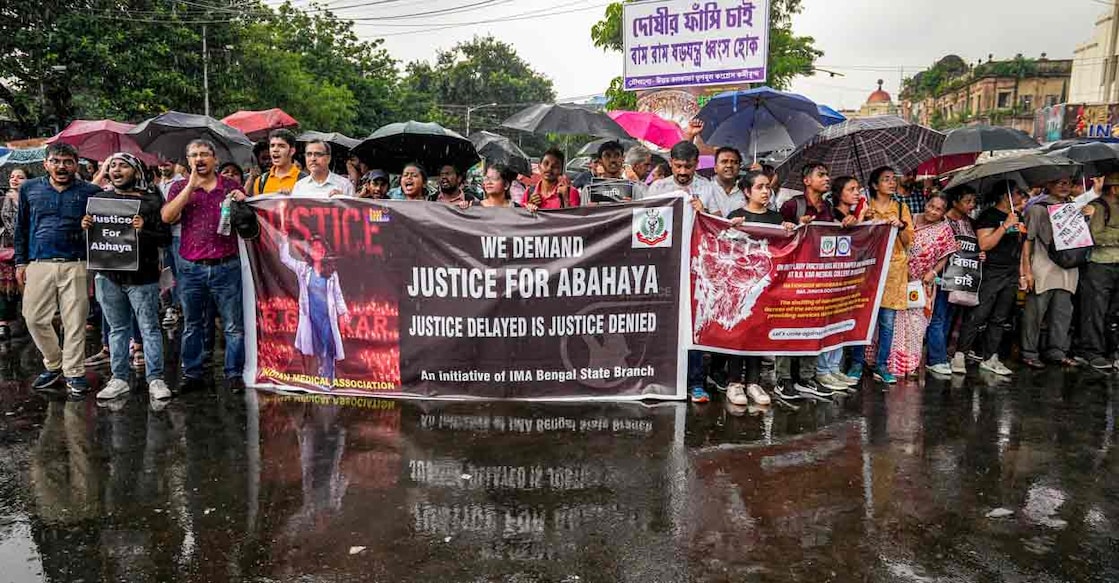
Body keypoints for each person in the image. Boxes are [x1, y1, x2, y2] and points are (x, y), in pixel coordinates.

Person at [79, 153, 172, 401]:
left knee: (149, 328)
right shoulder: (99, 200)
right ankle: (118, 378)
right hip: (108, 277)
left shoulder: (152, 201)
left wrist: (144, 230)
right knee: (117, 329)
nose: (116, 169)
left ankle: (156, 379)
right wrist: (86, 227)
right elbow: (88, 242)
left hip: (143, 278)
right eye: (112, 166)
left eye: (123, 165)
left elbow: (165, 238)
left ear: (136, 171)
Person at [14, 143, 103, 396]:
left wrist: (92, 226)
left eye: (67, 161)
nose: (61, 166)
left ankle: (74, 372)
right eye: (56, 161)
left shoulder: (91, 191)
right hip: (39, 263)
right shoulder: (29, 189)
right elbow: (21, 227)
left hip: (77, 263)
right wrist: (21, 262)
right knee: (33, 317)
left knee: (74, 322)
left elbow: (106, 227)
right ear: (46, 164)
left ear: (76, 164)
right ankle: (54, 363)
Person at [161, 139, 248, 392]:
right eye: (194, 155)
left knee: (233, 326)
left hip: (226, 265)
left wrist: (242, 199)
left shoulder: (230, 185)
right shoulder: (178, 187)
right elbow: (168, 217)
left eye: (204, 155)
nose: (199, 159)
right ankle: (192, 373)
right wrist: (190, 186)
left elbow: (248, 220)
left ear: (215, 159)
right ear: (187, 161)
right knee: (192, 324)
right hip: (191, 268)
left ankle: (233, 374)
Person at [719, 170, 794, 406]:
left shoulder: (775, 218)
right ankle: (734, 382)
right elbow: (722, 243)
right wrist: (730, 227)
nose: (765, 191)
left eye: (767, 187)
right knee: (738, 332)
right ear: (746, 191)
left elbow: (785, 246)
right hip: (740, 285)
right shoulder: (736, 215)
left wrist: (790, 229)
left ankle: (754, 382)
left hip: (765, 284)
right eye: (760, 187)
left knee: (757, 334)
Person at [847, 166, 914, 384]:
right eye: (886, 179)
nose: (892, 183)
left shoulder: (902, 207)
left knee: (887, 322)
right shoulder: (865, 206)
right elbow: (853, 237)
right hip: (868, 269)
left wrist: (901, 225)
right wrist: (863, 218)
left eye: (893, 179)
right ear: (875, 185)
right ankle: (857, 363)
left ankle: (881, 364)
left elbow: (908, 242)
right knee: (863, 318)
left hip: (894, 270)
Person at [953, 180, 1025, 376]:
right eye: (1018, 193)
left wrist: (1022, 272)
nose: (1021, 197)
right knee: (979, 313)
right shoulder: (988, 215)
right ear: (1005, 195)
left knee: (1000, 317)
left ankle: (990, 356)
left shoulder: (1018, 216)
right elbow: (984, 244)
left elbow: (1021, 246)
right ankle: (960, 354)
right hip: (990, 271)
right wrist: (1004, 226)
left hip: (1010, 271)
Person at [1020, 176, 1089, 369]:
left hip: (1068, 266)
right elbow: (1028, 240)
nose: (1064, 186)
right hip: (1043, 265)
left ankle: (1057, 351)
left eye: (1068, 183)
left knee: (1063, 312)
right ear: (1048, 184)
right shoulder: (1037, 208)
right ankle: (1029, 352)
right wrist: (1027, 271)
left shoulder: (1076, 206)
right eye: (1059, 182)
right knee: (1035, 312)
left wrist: (1086, 216)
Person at [890, 195, 957, 377]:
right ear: (925, 204)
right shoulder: (909, 220)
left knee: (916, 323)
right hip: (898, 279)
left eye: (938, 209)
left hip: (922, 283)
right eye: (930, 206)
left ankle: (908, 365)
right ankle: (889, 363)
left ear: (944, 212)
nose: (932, 211)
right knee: (892, 321)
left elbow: (945, 255)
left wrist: (933, 273)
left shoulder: (944, 230)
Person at [279, 234, 350, 388]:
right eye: (314, 248)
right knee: (315, 350)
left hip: (327, 319)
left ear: (325, 252)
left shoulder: (332, 274)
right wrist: (284, 241)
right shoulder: (303, 269)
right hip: (311, 318)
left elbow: (338, 296)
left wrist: (343, 314)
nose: (318, 250)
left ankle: (328, 382)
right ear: (310, 251)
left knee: (328, 348)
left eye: (321, 248)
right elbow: (285, 259)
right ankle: (316, 379)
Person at [815, 176, 866, 389]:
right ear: (839, 193)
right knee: (827, 322)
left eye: (857, 189)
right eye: (851, 189)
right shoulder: (831, 214)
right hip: (829, 277)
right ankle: (822, 370)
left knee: (841, 322)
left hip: (850, 278)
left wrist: (861, 217)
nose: (856, 193)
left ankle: (834, 367)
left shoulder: (856, 214)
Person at [926, 187, 978, 375]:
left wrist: (978, 255)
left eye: (973, 201)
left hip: (960, 277)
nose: (971, 205)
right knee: (938, 317)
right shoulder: (942, 222)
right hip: (942, 275)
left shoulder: (969, 222)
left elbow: (973, 247)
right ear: (954, 202)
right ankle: (936, 359)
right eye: (967, 201)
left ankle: (942, 354)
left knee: (949, 317)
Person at [1076, 172, 1119, 370]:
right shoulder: (1098, 206)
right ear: (1114, 188)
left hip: (1114, 264)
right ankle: (1091, 351)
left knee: (1111, 312)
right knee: (1095, 310)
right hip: (1099, 265)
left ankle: (1111, 349)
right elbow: (1095, 235)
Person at [648, 141, 727, 216]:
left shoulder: (707, 187)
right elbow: (645, 216)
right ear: (670, 162)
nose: (683, 172)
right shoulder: (657, 187)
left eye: (688, 167)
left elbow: (718, 221)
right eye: (678, 166)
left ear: (696, 164)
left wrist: (703, 213)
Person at [0, 168, 27, 340]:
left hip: (28, 248)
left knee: (25, 286)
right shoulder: (2, 200)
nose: (15, 179)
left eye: (20, 177)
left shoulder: (31, 199)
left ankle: (28, 319)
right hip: (5, 248)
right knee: (4, 288)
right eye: (12, 176)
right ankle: (3, 323)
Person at [581, 140, 648, 203]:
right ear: (600, 161)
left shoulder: (634, 188)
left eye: (616, 155)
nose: (612, 160)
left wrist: (631, 206)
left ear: (623, 159)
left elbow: (641, 212)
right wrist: (589, 210)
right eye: (607, 156)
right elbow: (582, 214)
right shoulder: (588, 190)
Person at [249, 129, 304, 196]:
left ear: (291, 151)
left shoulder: (303, 180)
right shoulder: (261, 181)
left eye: (281, 146)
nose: (275, 149)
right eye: (272, 145)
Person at [710, 146, 746, 217]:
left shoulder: (746, 192)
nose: (729, 165)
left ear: (739, 168)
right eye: (724, 161)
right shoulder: (705, 189)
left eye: (734, 162)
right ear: (715, 168)